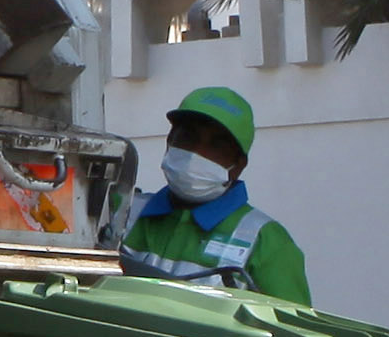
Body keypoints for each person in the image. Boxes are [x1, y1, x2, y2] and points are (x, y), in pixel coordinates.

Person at [118, 84, 312, 303]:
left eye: (216, 146)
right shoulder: (120, 210)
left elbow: (291, 333)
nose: (196, 153)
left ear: (238, 165)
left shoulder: (267, 243)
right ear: (169, 141)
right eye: (188, 137)